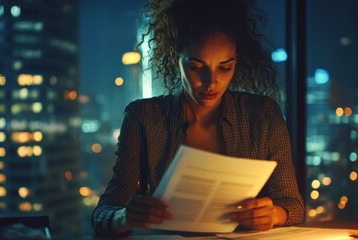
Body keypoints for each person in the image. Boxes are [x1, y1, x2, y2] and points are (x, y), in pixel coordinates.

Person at [92, 0, 304, 237]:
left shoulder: (264, 115)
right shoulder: (143, 118)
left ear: (236, 61)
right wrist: (124, 217)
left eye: (225, 68)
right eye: (196, 66)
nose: (211, 81)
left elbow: (293, 205)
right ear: (175, 59)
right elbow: (104, 213)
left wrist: (274, 214)